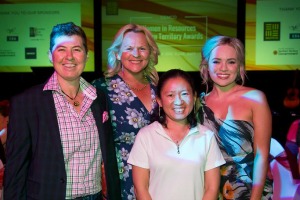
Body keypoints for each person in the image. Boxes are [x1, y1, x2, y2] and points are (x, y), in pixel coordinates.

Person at [3, 22, 121, 200]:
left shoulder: (99, 98)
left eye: (76, 49)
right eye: (61, 49)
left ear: (87, 55)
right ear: (50, 55)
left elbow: (108, 156)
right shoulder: (26, 103)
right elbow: (16, 169)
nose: (69, 57)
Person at [128, 69, 226, 200]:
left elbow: (211, 188)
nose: (178, 101)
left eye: (185, 94)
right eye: (170, 95)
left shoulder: (206, 136)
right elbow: (140, 189)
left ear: (194, 97)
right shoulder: (146, 136)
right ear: (159, 101)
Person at [197, 35, 273, 199]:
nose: (223, 68)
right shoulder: (198, 105)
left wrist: (255, 197)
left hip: (251, 189)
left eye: (231, 61)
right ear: (206, 65)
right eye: (216, 61)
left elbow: (262, 155)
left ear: (239, 66)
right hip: (211, 189)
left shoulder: (256, 98)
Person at [92, 23, 160, 199]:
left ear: (150, 53)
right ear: (117, 53)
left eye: (142, 48)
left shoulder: (160, 89)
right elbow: (91, 139)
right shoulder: (101, 89)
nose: (136, 54)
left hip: (159, 177)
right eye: (129, 48)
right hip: (119, 179)